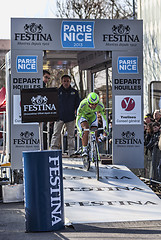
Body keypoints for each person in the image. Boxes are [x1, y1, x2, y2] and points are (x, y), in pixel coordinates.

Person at [50, 74, 80, 157]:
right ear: (61, 82)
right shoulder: (57, 92)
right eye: (64, 81)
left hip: (70, 117)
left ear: (70, 82)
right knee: (56, 134)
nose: (66, 83)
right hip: (59, 117)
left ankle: (71, 152)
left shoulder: (75, 92)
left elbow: (78, 105)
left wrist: (77, 115)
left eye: (67, 81)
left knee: (71, 135)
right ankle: (53, 150)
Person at [76, 92, 108, 156]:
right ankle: (84, 149)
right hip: (83, 116)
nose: (93, 106)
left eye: (95, 104)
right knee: (86, 129)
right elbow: (77, 120)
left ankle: (94, 146)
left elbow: (104, 119)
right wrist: (80, 130)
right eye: (92, 104)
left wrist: (105, 130)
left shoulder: (100, 105)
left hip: (93, 117)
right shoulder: (83, 104)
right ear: (88, 102)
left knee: (94, 130)